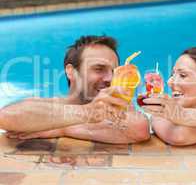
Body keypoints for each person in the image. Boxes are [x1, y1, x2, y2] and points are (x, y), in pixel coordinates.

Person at [0, 35, 150, 144]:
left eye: (114, 71)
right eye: (99, 69)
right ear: (71, 71)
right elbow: (5, 117)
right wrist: (87, 113)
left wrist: (61, 129)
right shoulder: (51, 103)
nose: (109, 78)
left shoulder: (117, 106)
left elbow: (140, 128)